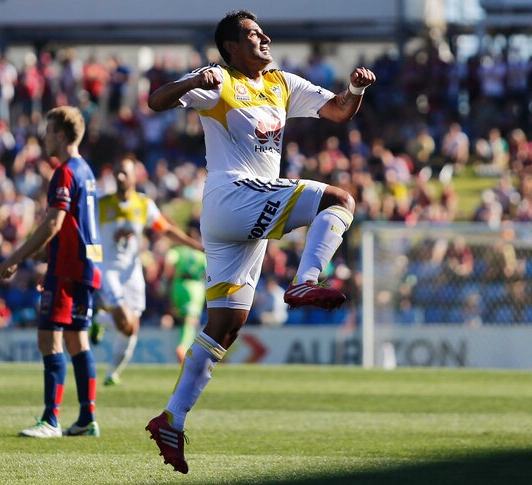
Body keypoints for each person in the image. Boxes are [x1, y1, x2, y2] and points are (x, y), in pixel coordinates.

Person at [143, 9, 375, 474]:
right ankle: (306, 279)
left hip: (239, 215)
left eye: (262, 32)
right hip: (233, 196)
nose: (265, 38)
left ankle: (172, 418)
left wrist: (356, 89)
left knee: (226, 324)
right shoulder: (217, 80)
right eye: (253, 34)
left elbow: (337, 112)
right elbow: (155, 100)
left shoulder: (282, 83)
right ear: (231, 47)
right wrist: (191, 83)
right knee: (339, 199)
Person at [0, 106, 103, 438]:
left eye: (47, 131)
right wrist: (49, 260)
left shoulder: (66, 171)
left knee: (49, 339)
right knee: (77, 339)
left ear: (59, 135)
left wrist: (15, 257)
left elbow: (54, 222)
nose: (43, 137)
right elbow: (73, 226)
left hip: (69, 269)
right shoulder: (87, 171)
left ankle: (51, 420)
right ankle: (86, 418)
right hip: (85, 266)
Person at [91, 155, 203, 386]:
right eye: (117, 173)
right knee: (124, 321)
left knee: (132, 327)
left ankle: (113, 369)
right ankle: (100, 321)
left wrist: (195, 245)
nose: (120, 177)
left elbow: (166, 230)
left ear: (135, 177)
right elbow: (88, 237)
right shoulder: (102, 204)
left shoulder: (143, 205)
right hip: (108, 269)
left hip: (132, 272)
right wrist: (92, 264)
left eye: (125, 173)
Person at [163, 225, 208, 362]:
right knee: (191, 319)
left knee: (180, 316)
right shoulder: (200, 254)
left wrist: (165, 280)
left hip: (177, 285)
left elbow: (168, 263)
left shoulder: (177, 250)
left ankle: (184, 347)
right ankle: (183, 347)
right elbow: (208, 271)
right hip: (194, 287)